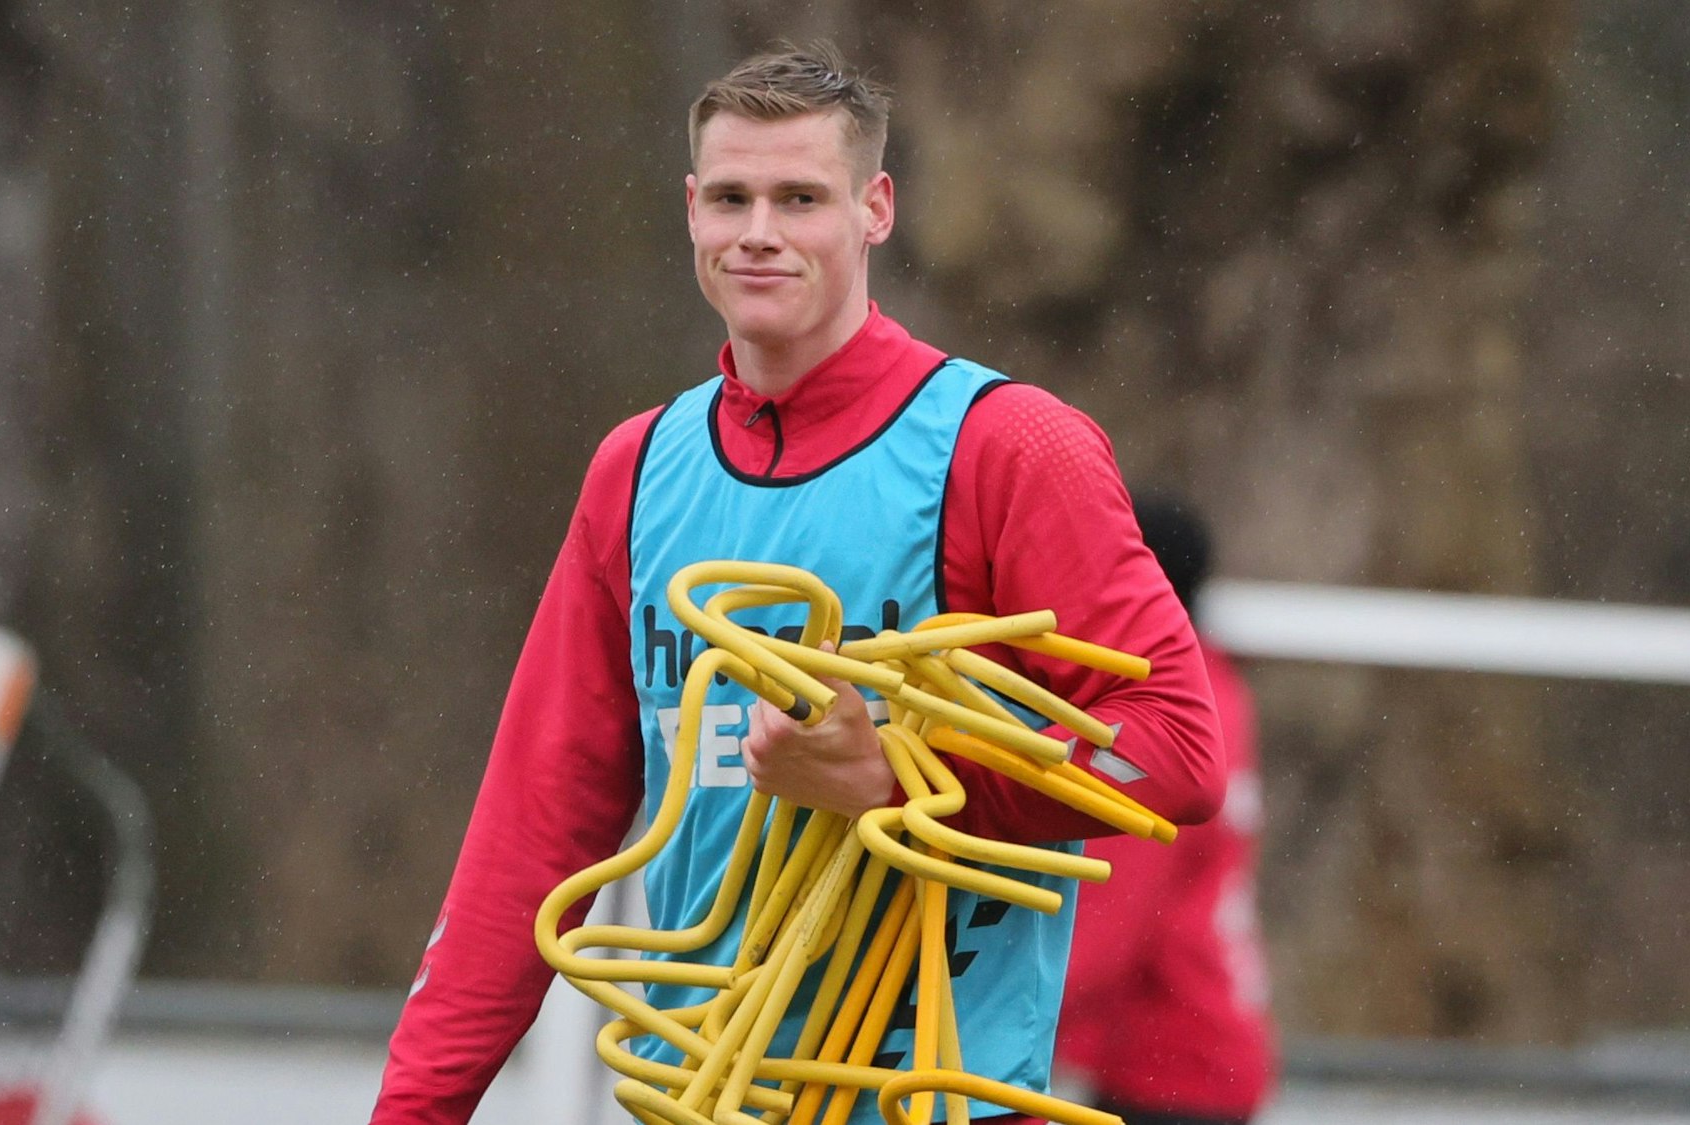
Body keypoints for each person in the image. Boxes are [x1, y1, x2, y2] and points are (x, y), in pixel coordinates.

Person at [370, 42, 1224, 1125]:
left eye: (799, 197)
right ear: (690, 210)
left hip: (933, 1099)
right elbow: (532, 830)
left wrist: (906, 780)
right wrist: (413, 1110)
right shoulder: (634, 471)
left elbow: (1178, 750)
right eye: (730, 197)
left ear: (874, 209)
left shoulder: (1006, 447)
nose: (758, 232)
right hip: (696, 1095)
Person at [1054, 497, 1276, 1125]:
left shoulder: (1156, 729)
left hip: (1172, 1069)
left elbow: (1113, 911)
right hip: (1204, 1043)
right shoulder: (1212, 691)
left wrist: (977, 1019)